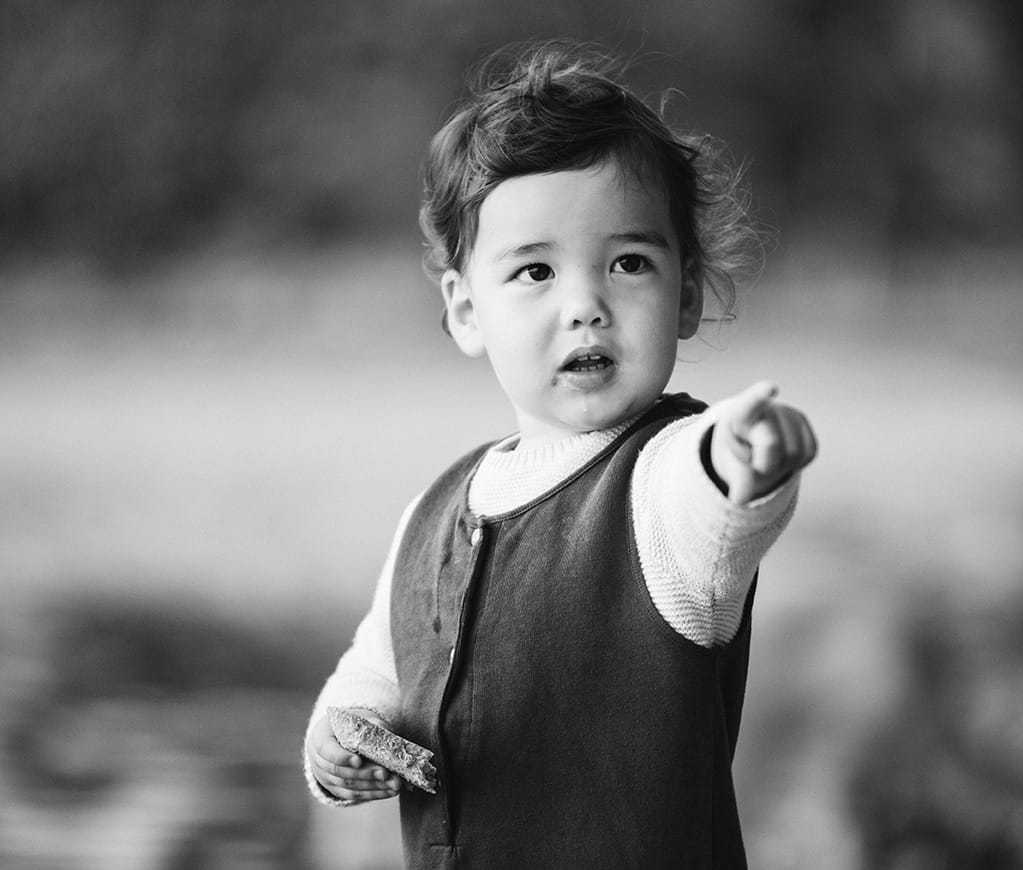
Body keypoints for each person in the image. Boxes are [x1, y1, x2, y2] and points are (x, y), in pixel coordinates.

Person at [304, 40, 817, 869]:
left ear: (684, 293)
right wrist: (339, 741)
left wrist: (745, 462)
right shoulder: (434, 511)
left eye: (628, 263)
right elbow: (375, 670)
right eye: (536, 271)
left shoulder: (661, 480)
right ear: (468, 310)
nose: (586, 305)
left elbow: (710, 506)